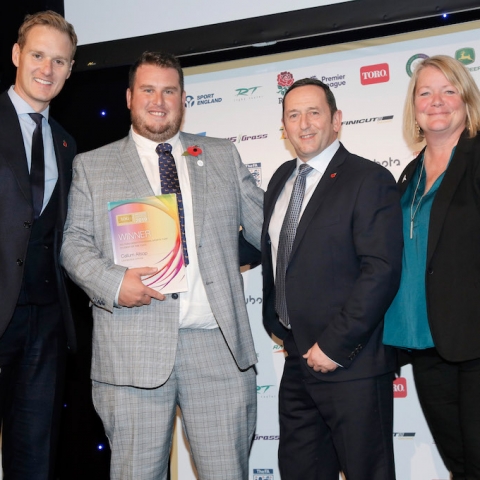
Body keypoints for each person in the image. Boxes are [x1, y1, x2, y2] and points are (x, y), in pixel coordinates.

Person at [61, 51, 263, 480]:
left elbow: (269, 227)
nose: (159, 100)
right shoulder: (92, 166)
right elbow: (73, 245)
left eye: (169, 90)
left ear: (183, 99)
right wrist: (115, 284)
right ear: (130, 98)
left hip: (217, 350)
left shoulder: (222, 155)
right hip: (132, 350)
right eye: (148, 90)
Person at [261, 77, 403, 480]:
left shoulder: (368, 179)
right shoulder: (280, 179)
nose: (303, 123)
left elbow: (381, 271)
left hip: (350, 364)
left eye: (314, 112)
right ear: (284, 127)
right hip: (296, 359)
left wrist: (334, 345)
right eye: (293, 115)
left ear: (336, 120)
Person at [383, 55, 480, 479]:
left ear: (467, 99)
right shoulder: (409, 175)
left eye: (448, 89)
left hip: (476, 342)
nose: (436, 100)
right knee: (458, 463)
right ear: (414, 106)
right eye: (425, 92)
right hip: (425, 342)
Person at [0, 10, 77, 480]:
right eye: (38, 55)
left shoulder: (67, 144)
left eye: (60, 61)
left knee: (34, 458)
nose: (47, 70)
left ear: (70, 70)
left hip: (45, 325)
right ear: (16, 55)